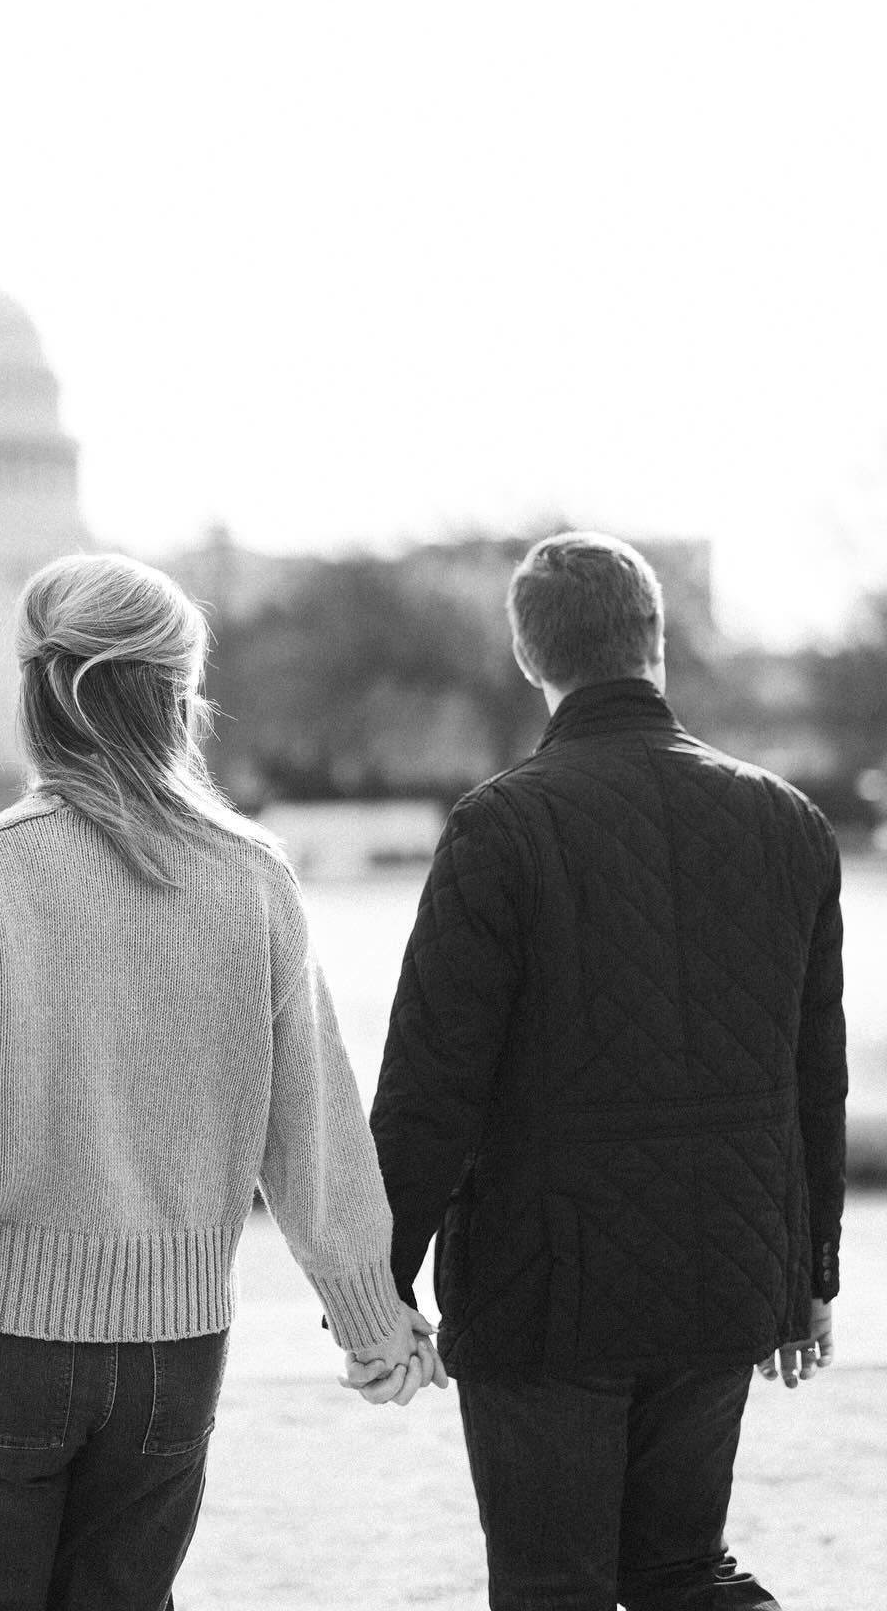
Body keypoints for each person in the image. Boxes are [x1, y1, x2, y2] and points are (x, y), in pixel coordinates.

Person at [0, 551, 437, 1611]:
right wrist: (374, 1320)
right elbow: (316, 1137)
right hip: (175, 1353)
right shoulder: (255, 880)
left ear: (36, 698)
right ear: (181, 703)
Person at [352, 531, 847, 1610]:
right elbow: (816, 1073)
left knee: (553, 1585)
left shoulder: (501, 827)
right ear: (655, 641)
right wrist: (808, 1270)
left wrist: (374, 1284)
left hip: (548, 1284)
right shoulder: (787, 821)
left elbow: (435, 1082)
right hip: (728, 1259)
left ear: (531, 657)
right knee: (681, 1571)